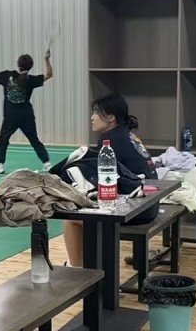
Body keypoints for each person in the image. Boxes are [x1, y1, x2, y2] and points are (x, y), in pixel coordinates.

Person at [64, 94, 157, 267]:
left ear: (111, 117)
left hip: (138, 210)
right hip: (150, 205)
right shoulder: (126, 134)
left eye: (96, 113)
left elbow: (102, 180)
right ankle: (86, 264)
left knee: (72, 219)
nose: (92, 118)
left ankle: (76, 270)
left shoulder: (110, 140)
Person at [0, 49, 53, 174]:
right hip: (27, 115)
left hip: (11, 115)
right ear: (30, 66)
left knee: (3, 139)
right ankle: (47, 163)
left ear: (18, 65)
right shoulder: (31, 80)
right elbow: (48, 74)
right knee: (34, 139)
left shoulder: (7, 76)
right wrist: (46, 60)